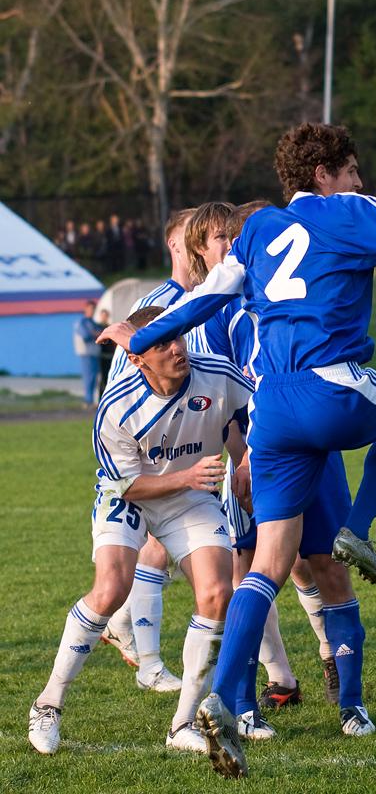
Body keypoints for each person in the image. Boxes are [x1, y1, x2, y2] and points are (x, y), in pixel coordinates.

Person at [98, 122, 376, 778]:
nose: (358, 183)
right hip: (328, 390)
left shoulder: (263, 229)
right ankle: (361, 527)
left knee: (270, 564)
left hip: (272, 419)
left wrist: (140, 336)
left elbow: (205, 298)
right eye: (352, 171)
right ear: (325, 174)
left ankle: (224, 699)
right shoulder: (346, 211)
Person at [28, 305, 256, 756]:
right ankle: (48, 703)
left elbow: (254, 414)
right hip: (130, 495)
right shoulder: (116, 407)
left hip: (190, 499)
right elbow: (126, 483)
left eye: (178, 337)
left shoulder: (217, 374)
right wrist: (188, 478)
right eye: (161, 344)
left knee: (216, 594)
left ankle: (182, 723)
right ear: (137, 358)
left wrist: (245, 458)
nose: (176, 349)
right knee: (111, 588)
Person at [187, 200, 342, 716]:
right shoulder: (209, 314)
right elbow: (224, 402)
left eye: (236, 235)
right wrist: (240, 458)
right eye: (219, 238)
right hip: (251, 446)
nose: (232, 245)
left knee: (312, 560)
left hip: (302, 437)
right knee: (249, 564)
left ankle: (330, 655)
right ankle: (247, 697)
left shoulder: (279, 291)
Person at [101, 208, 198, 693]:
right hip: (152, 447)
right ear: (177, 247)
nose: (209, 246)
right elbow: (126, 381)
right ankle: (150, 659)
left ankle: (139, 642)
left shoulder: (210, 299)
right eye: (197, 238)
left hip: (195, 434)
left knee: (176, 551)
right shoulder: (161, 303)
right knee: (161, 549)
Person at [73, 300, 101, 408]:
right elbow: (86, 336)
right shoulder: (82, 322)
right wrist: (95, 334)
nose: (92, 311)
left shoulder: (93, 322)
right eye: (90, 309)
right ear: (85, 309)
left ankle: (92, 400)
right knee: (89, 377)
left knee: (95, 378)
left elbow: (101, 333)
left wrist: (95, 333)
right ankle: (87, 400)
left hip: (94, 353)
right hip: (86, 353)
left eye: (94, 309)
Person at [97, 309, 116, 396]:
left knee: (109, 377)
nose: (104, 317)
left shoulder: (109, 327)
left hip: (110, 356)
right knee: (102, 378)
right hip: (101, 356)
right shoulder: (97, 327)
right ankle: (101, 397)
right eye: (103, 315)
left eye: (106, 316)